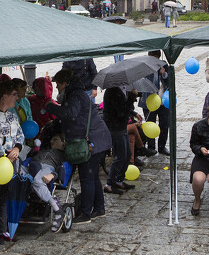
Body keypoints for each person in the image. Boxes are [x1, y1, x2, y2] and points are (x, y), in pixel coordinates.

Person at [46, 69, 112, 224]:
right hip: (99, 138)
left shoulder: (75, 95)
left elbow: (70, 113)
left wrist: (51, 107)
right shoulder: (78, 93)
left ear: (65, 83)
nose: (57, 88)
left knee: (87, 177)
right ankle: (99, 208)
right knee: (93, 176)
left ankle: (85, 213)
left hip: (92, 141)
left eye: (58, 85)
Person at [0, 81, 25, 244]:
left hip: (11, 160)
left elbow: (20, 134)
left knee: (5, 195)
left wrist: (17, 148)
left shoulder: (12, 114)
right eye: (15, 95)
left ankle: (3, 228)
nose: (17, 98)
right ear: (5, 96)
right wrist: (3, 153)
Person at [25, 122, 67, 231]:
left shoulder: (61, 155)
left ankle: (57, 209)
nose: (51, 141)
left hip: (47, 168)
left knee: (38, 180)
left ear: (63, 143)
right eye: (51, 139)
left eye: (55, 139)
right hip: (33, 165)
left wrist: (53, 175)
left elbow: (62, 169)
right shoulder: (43, 150)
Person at [103, 87, 133, 195]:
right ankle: (109, 184)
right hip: (115, 127)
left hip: (121, 126)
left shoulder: (119, 90)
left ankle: (119, 179)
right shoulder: (113, 91)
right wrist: (132, 97)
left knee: (127, 154)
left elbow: (123, 107)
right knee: (120, 156)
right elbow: (121, 112)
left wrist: (133, 113)